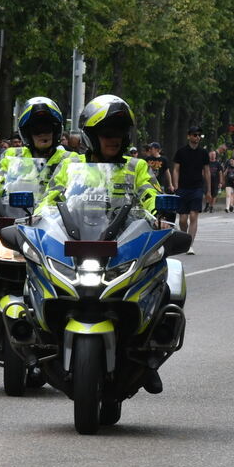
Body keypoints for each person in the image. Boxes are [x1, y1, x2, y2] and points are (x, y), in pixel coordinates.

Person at [42, 94, 163, 390]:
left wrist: (161, 216)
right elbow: (50, 199)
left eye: (119, 132)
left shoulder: (137, 167)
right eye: (107, 132)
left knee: (165, 277)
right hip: (78, 240)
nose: (114, 138)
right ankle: (43, 341)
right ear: (91, 136)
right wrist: (36, 218)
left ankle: (150, 353)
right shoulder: (71, 166)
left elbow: (152, 195)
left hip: (123, 244)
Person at [0, 97, 78, 205]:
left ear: (56, 131)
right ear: (27, 133)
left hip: (55, 215)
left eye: (47, 128)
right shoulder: (12, 156)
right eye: (37, 129)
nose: (43, 134)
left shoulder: (70, 159)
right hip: (14, 213)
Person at [171, 126, 211, 254]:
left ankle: (189, 245)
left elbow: (207, 172)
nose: (197, 137)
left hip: (197, 188)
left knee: (194, 216)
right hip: (182, 188)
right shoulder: (181, 152)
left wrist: (208, 190)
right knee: (183, 219)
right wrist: (175, 185)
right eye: (194, 135)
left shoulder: (203, 153)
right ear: (188, 136)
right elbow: (176, 169)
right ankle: (185, 239)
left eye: (199, 135)